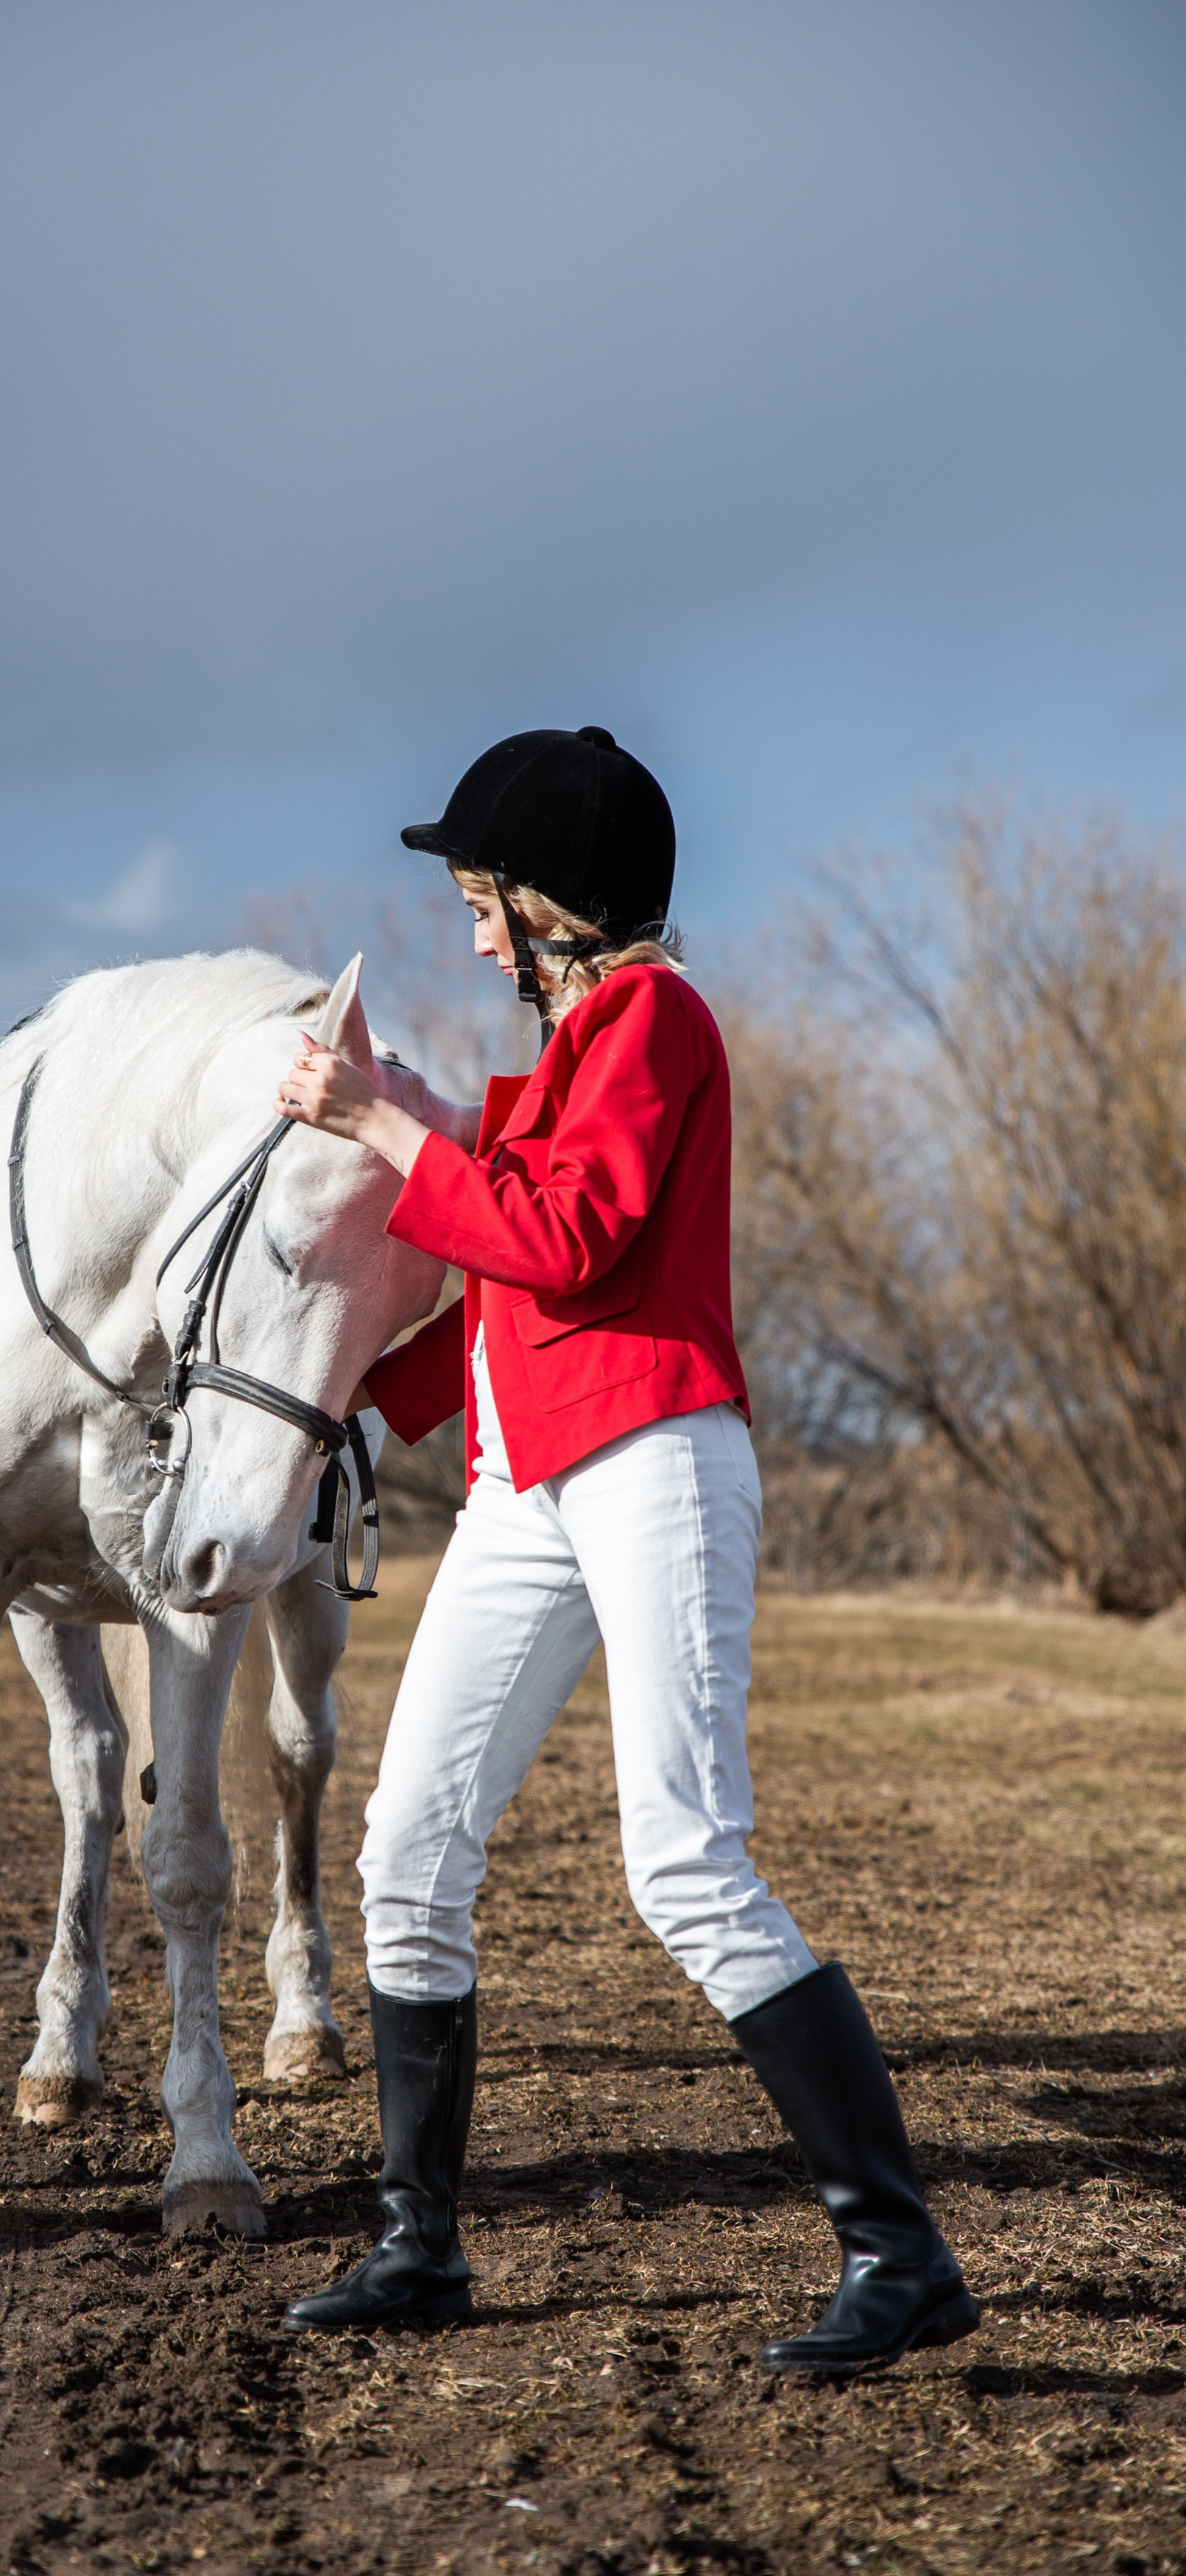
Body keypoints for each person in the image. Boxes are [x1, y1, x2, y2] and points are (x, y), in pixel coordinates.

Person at [272, 725, 978, 2373]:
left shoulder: (655, 1020)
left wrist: (386, 1126)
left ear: (556, 904)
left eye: (478, 901)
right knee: (406, 1843)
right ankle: (417, 2246)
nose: (469, 934)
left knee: (679, 1856)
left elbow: (566, 1239)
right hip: (531, 1485)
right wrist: (345, 1416)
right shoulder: (575, 1044)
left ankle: (903, 2252)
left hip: (654, 1456)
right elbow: (505, 1251)